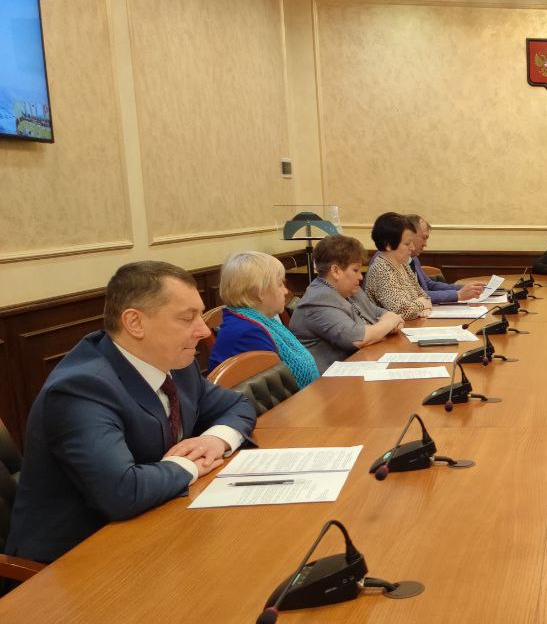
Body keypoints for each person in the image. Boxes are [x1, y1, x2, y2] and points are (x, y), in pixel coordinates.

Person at [4, 262, 257, 569]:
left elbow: (237, 405)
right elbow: (121, 492)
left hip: (155, 528)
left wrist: (216, 440)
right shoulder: (82, 387)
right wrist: (192, 464)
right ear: (135, 323)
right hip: (70, 565)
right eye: (187, 318)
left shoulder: (176, 364)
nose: (204, 330)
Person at [288, 234, 404, 374]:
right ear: (336, 271)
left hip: (359, 366)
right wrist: (389, 323)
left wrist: (391, 319)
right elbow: (358, 339)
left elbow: (377, 312)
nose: (360, 276)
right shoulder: (318, 300)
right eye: (355, 270)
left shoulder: (351, 290)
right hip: (329, 380)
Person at [209, 251, 319, 388]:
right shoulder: (247, 333)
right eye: (280, 284)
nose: (286, 291)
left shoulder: (258, 320)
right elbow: (278, 390)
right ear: (260, 292)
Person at [364, 213, 434, 320]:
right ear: (388, 244)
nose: (412, 247)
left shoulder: (403, 265)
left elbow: (425, 297)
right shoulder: (381, 270)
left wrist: (423, 305)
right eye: (407, 243)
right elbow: (402, 311)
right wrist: (421, 304)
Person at [403, 214, 486, 303]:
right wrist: (457, 294)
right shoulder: (396, 262)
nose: (425, 244)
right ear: (409, 235)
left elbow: (429, 285)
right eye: (424, 238)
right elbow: (415, 295)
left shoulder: (413, 258)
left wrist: (468, 288)